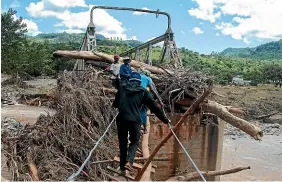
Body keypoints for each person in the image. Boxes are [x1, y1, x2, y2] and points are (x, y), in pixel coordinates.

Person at [113, 72, 170, 175]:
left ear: (130, 80)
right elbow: (155, 107)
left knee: (123, 142)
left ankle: (122, 167)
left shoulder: (122, 88)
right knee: (134, 141)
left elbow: (115, 104)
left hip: (121, 119)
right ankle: (129, 162)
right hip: (135, 120)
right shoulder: (143, 91)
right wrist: (165, 120)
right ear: (139, 82)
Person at [140, 70, 163, 134]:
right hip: (142, 96)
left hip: (133, 95)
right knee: (143, 111)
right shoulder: (148, 79)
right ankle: (144, 129)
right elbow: (153, 90)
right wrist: (160, 100)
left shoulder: (138, 76)